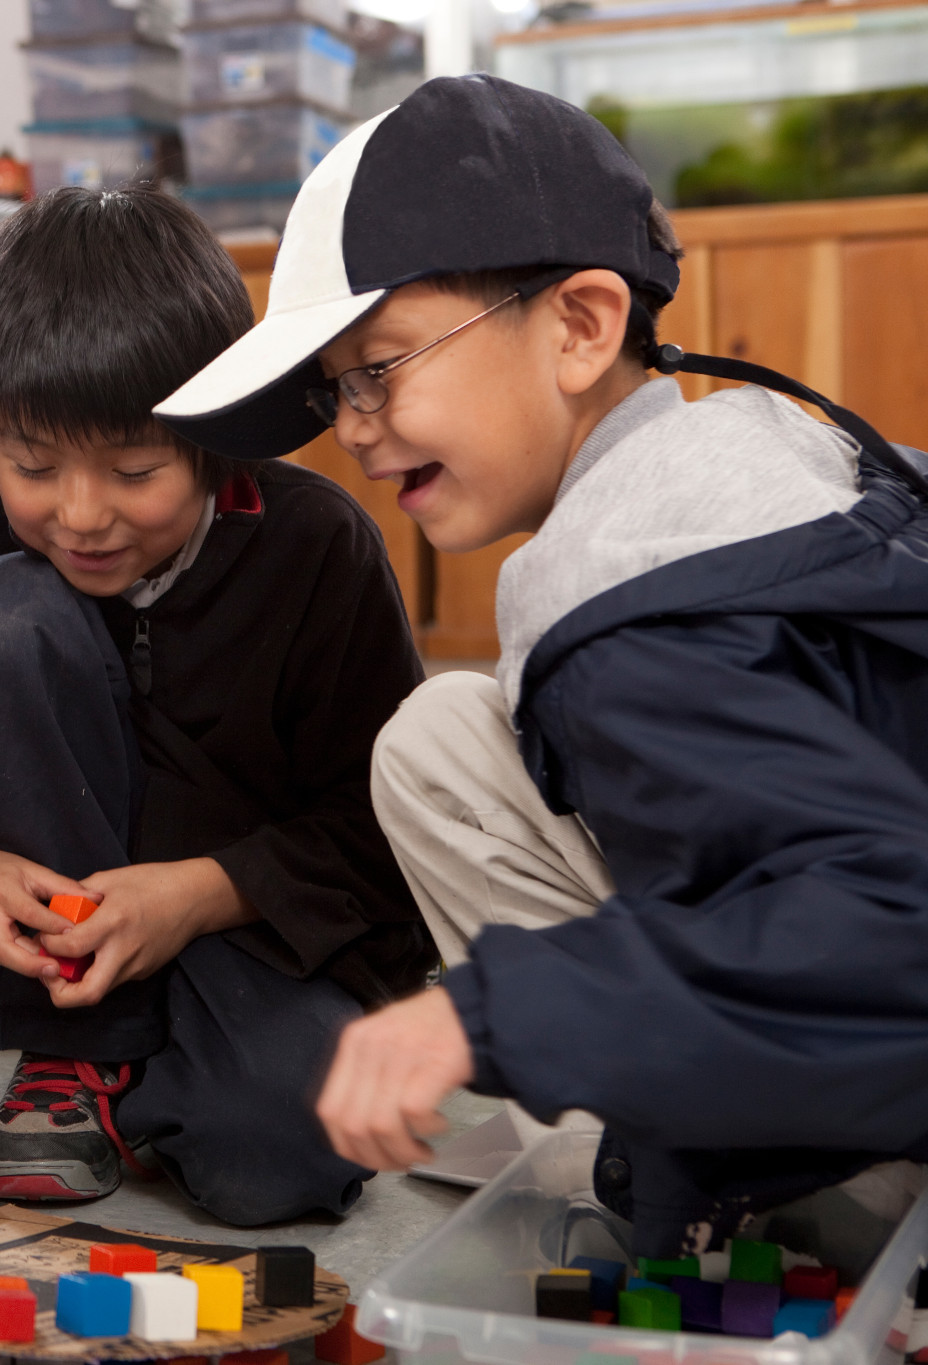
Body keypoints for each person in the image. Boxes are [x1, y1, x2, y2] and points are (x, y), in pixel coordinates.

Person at [157, 72, 928, 1258]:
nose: (351, 425)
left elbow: (887, 938)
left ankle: (767, 1198)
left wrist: (485, 1013)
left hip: (890, 1077)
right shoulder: (765, 453)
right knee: (441, 735)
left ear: (577, 325)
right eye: (331, 390)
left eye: (380, 365)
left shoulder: (630, 594)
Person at [0, 187, 433, 1223]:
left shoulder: (315, 550)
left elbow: (375, 832)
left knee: (283, 1162)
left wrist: (192, 897)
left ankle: (152, 1063)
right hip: (66, 952)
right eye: (31, 466)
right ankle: (75, 1046)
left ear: (214, 440)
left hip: (245, 928)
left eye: (133, 469)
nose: (79, 515)